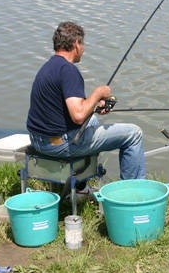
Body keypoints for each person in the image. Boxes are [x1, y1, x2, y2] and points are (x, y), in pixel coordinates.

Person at [26, 21, 146, 195]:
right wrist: (98, 93)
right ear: (76, 44)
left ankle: (81, 187)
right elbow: (78, 115)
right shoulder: (68, 71)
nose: (83, 49)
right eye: (82, 44)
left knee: (94, 119)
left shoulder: (48, 67)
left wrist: (96, 105)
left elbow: (71, 108)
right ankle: (133, 194)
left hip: (38, 141)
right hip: (60, 145)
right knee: (133, 133)